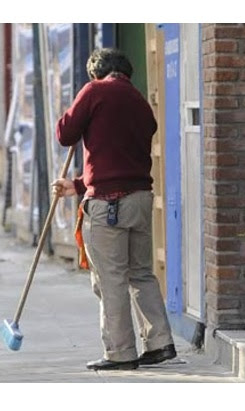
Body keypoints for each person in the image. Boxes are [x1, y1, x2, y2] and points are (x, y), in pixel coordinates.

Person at [52, 48, 176, 370]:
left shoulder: (95, 91)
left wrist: (75, 106)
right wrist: (78, 185)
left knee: (111, 279)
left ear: (95, 73)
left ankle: (120, 352)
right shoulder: (139, 102)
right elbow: (121, 157)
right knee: (141, 274)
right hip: (139, 200)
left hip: (108, 205)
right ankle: (159, 342)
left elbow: (65, 134)